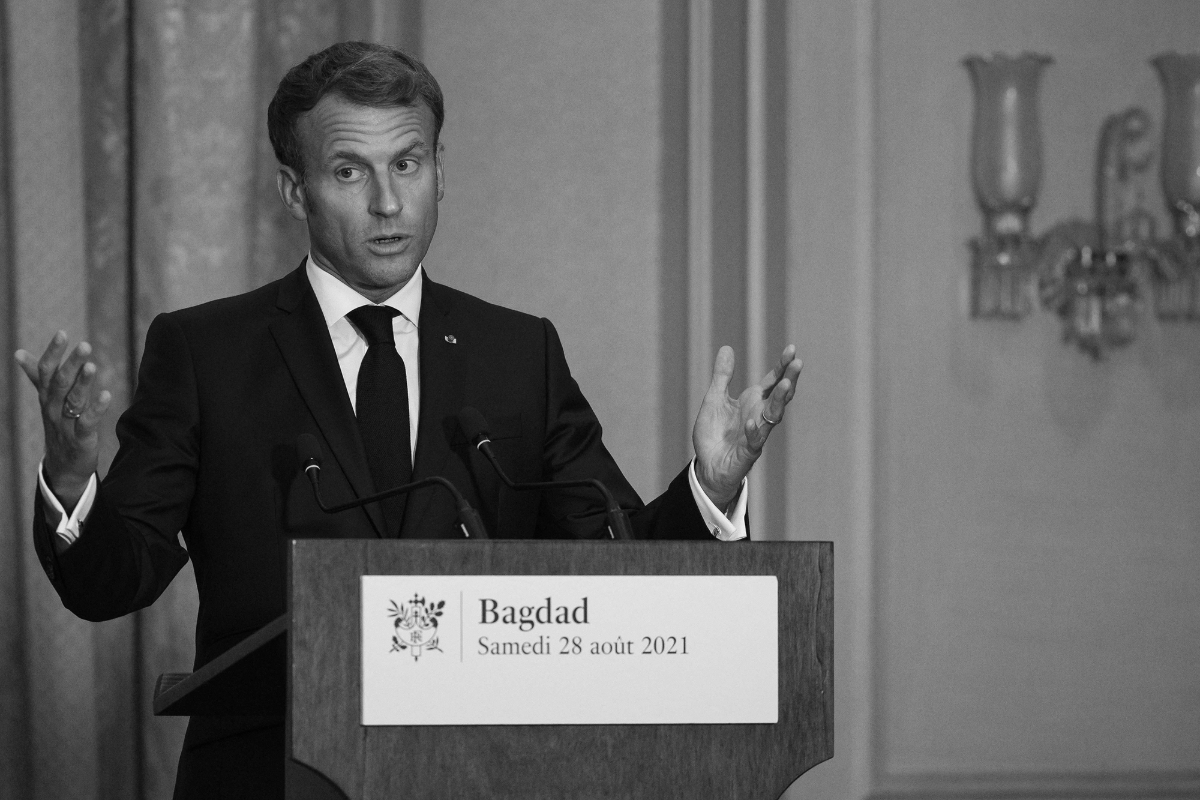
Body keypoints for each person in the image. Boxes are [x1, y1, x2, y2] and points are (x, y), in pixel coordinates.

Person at [14, 41, 802, 799]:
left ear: (439, 171)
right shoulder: (204, 352)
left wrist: (710, 487)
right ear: (295, 190)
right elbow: (113, 581)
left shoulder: (515, 352)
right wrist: (73, 479)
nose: (387, 202)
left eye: (408, 163)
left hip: (485, 773)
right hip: (269, 776)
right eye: (349, 170)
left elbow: (620, 561)